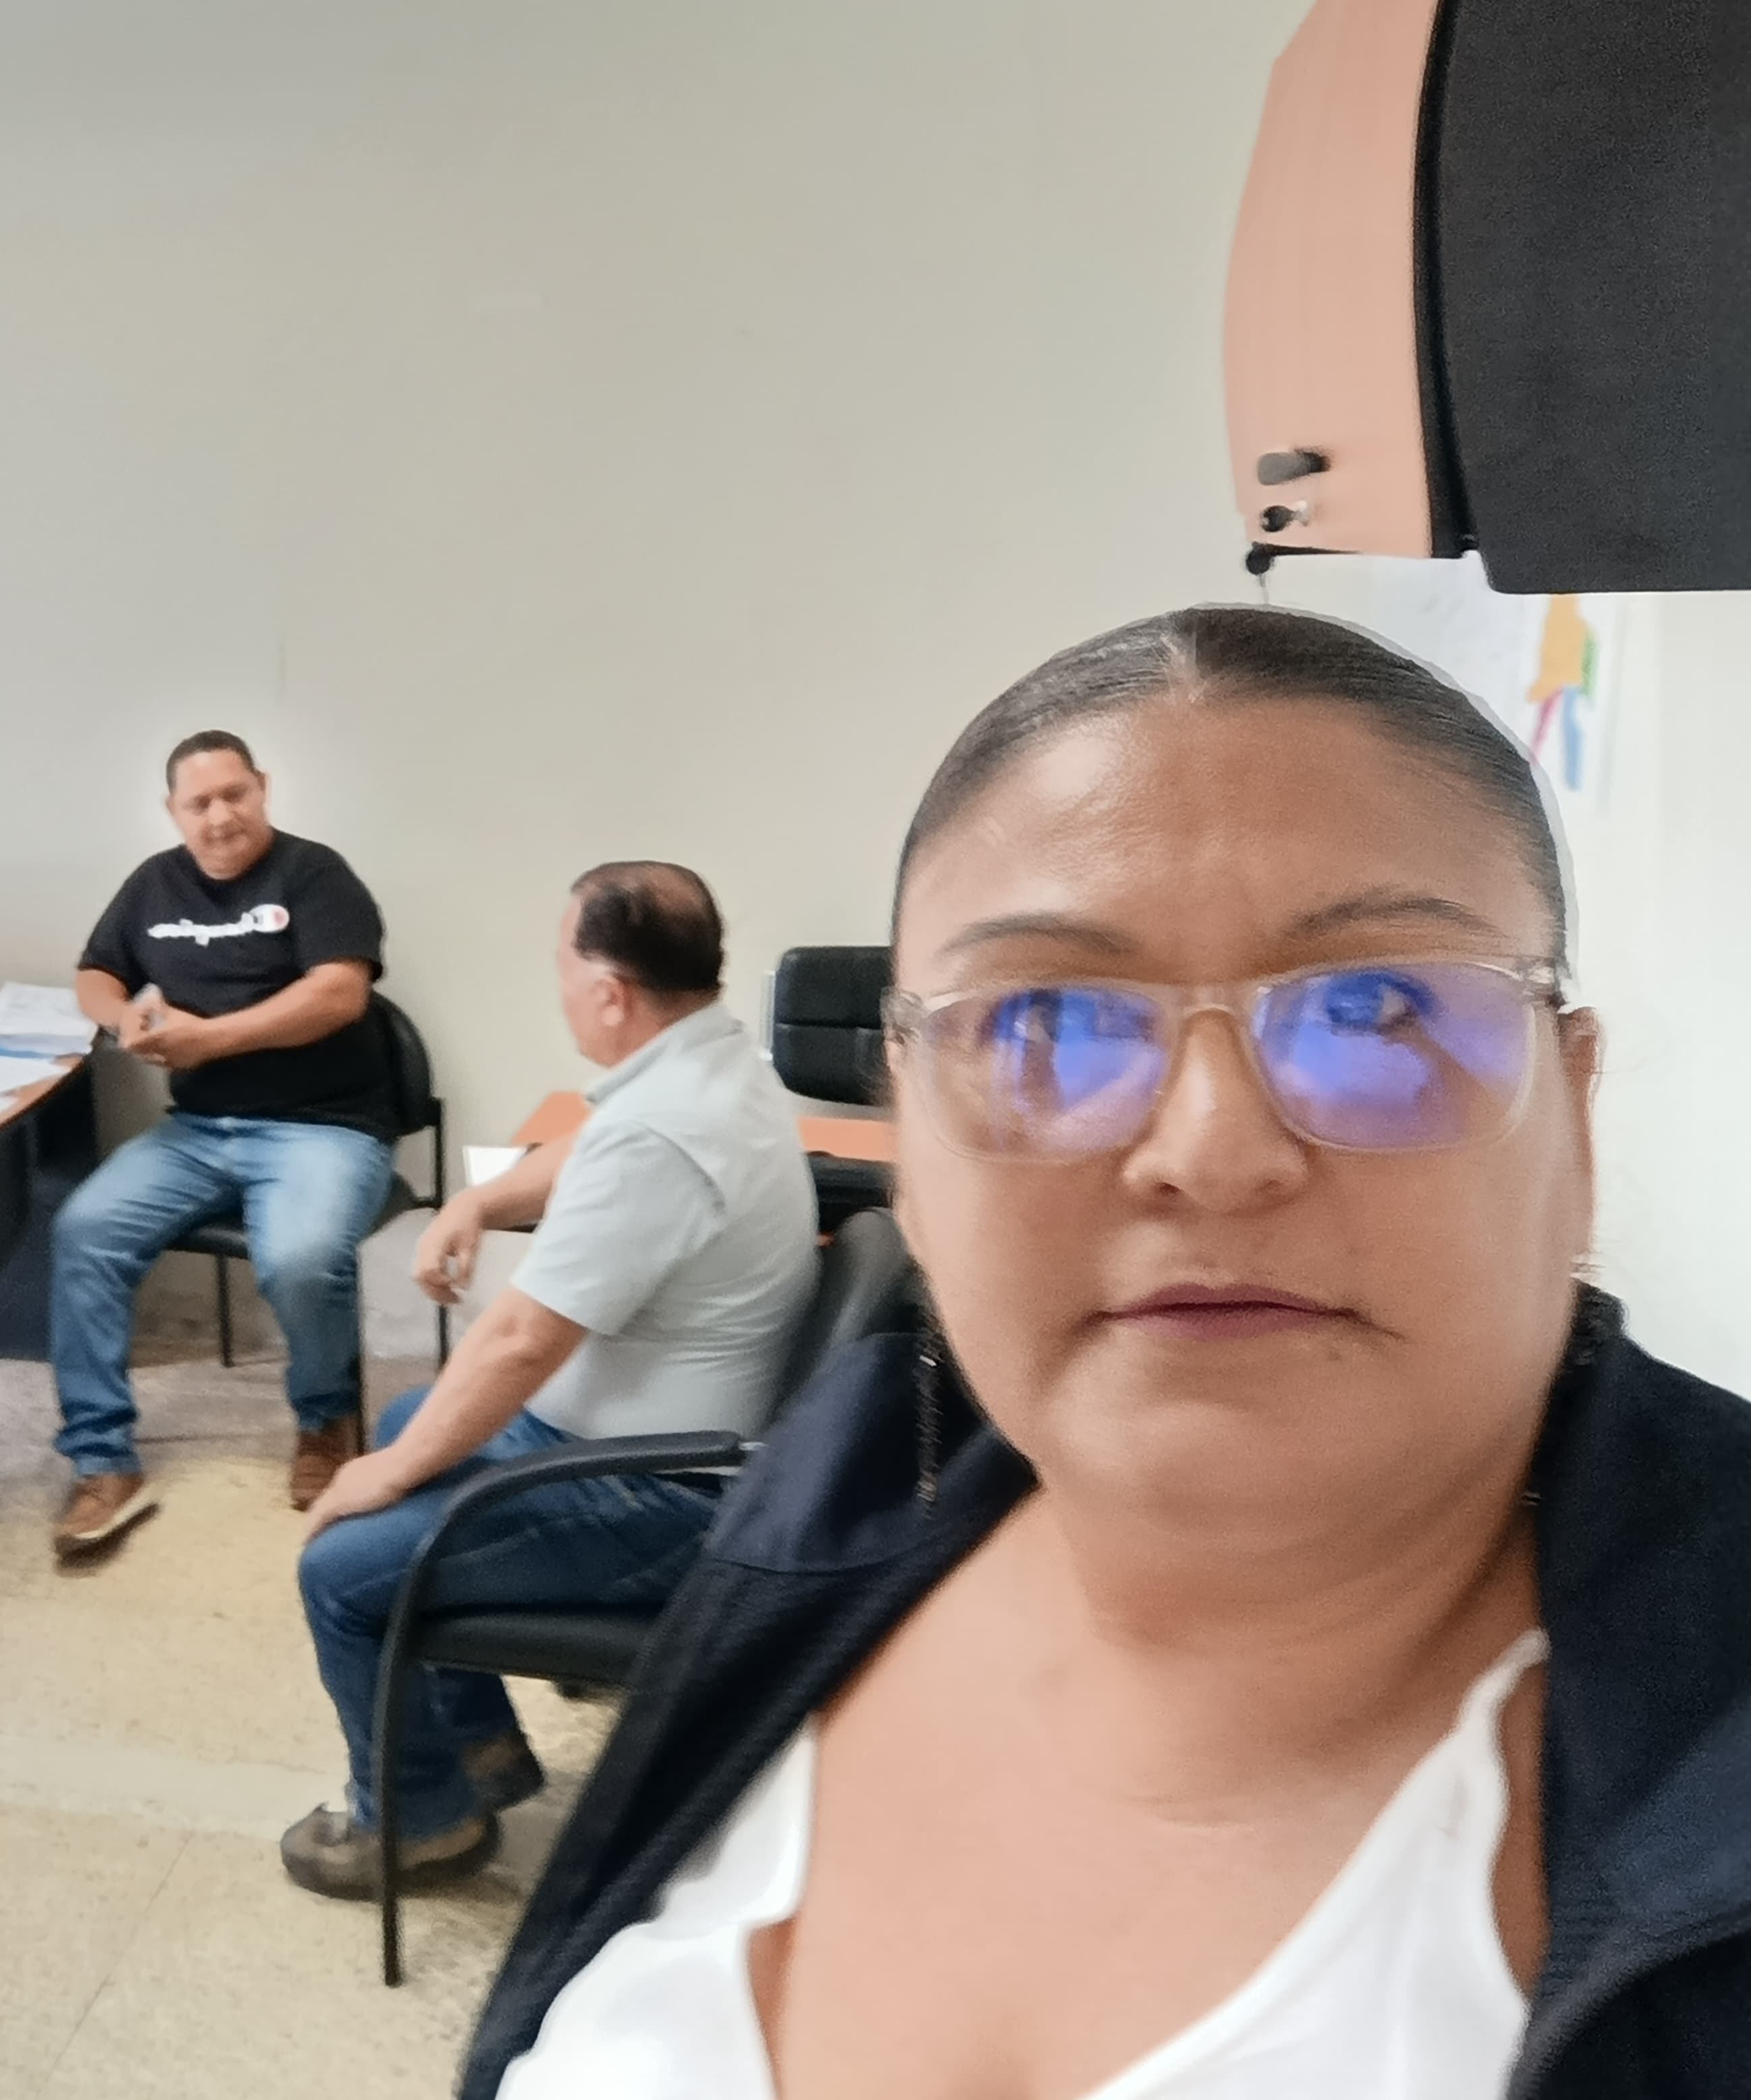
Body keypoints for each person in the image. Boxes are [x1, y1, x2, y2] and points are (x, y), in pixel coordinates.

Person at [463, 607, 1751, 2100]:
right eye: (1050, 1025)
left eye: (1375, 1013)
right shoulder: (847, 1482)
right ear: (911, 1145)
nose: (1211, 1150)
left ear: (1571, 1118)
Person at [278, 862, 818, 1899]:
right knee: (411, 1415)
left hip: (659, 1495)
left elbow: (522, 1339)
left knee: (341, 1567)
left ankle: (420, 1823)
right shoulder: (713, 1062)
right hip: (662, 1452)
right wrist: (478, 1203)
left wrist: (385, 1473)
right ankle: (477, 1748)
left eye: (564, 964)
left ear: (609, 992)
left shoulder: (661, 1135)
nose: (558, 984)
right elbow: (584, 1144)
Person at [49, 731, 401, 1555]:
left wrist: (211, 1039)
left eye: (233, 794)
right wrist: (123, 1018)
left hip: (323, 1124)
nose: (219, 816)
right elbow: (95, 972)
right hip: (199, 1131)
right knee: (83, 1231)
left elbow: (338, 994)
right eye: (198, 802)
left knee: (300, 1257)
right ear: (173, 810)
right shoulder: (154, 882)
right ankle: (102, 1460)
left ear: (262, 787)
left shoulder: (314, 873)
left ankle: (324, 1420)